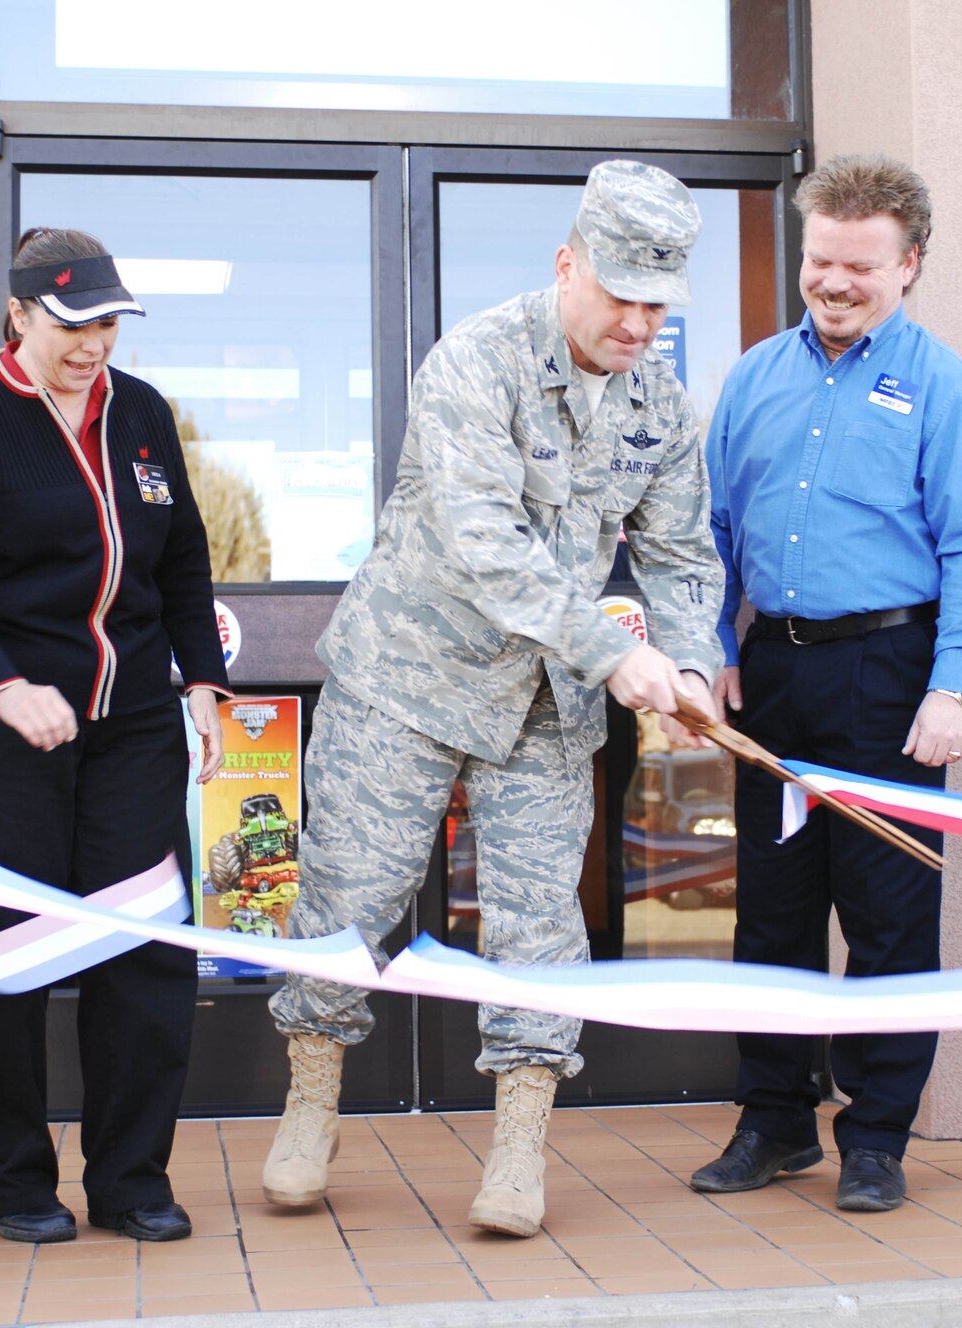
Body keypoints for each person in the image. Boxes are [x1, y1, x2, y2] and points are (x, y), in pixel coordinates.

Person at [260, 160, 724, 1239]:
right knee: (349, 894)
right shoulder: (475, 357)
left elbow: (680, 554)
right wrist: (615, 655)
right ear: (566, 265)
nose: (635, 322)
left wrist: (690, 667)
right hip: (410, 677)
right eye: (617, 295)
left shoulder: (663, 404)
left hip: (542, 709)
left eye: (656, 305)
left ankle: (518, 1147)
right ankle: (309, 1103)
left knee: (536, 926)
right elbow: (486, 543)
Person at [689, 154, 962, 1213]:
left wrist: (955, 684)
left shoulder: (945, 386)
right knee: (771, 914)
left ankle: (874, 1136)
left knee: (886, 917)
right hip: (773, 675)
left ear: (908, 264)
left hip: (888, 676)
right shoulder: (750, 376)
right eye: (818, 259)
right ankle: (772, 1119)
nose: (832, 282)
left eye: (858, 266)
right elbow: (713, 533)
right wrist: (714, 640)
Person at [0, 227, 231, 1243]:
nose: (94, 342)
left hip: (131, 719)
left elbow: (180, 561)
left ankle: (131, 1177)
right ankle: (11, 1180)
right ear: (20, 314)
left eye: (108, 321)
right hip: (7, 731)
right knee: (15, 948)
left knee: (144, 948)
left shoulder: (140, 414)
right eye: (73, 322)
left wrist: (204, 685)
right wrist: (1, 683)